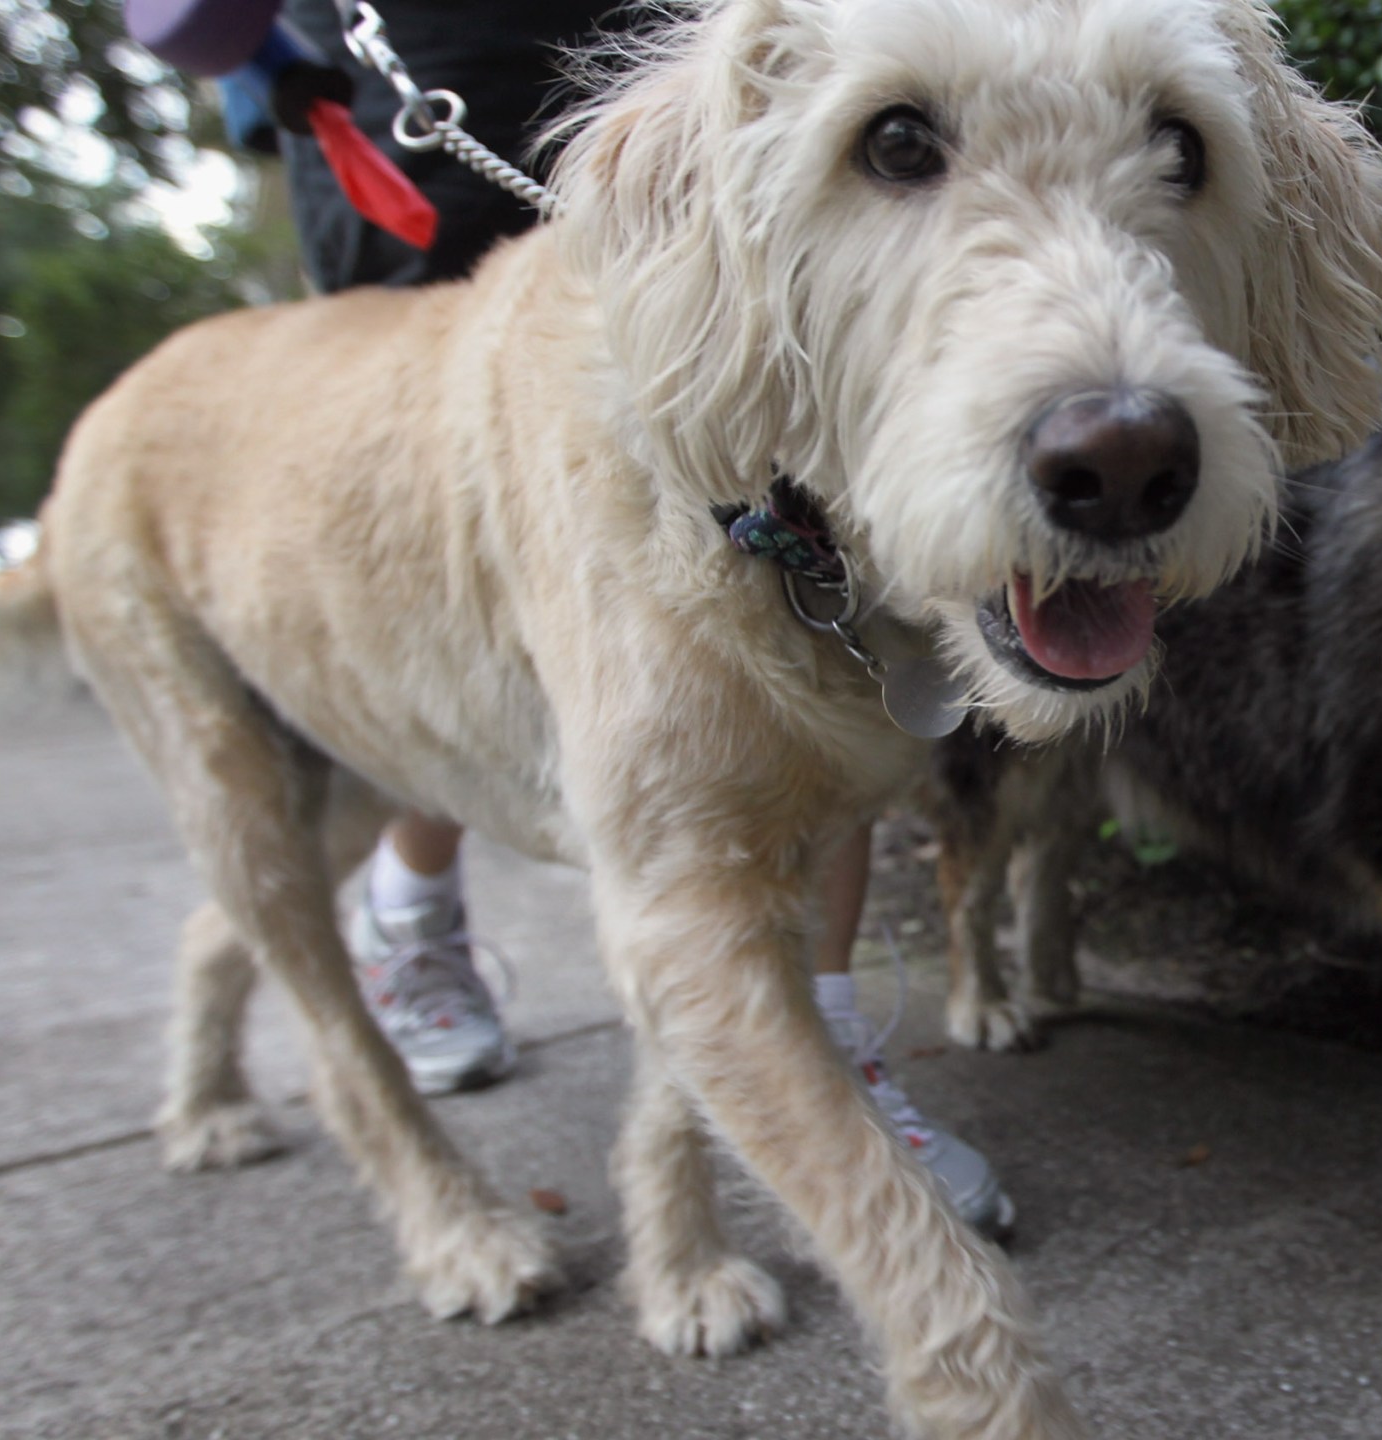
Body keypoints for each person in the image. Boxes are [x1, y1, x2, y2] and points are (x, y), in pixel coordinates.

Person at [266, 0, 1012, 1231]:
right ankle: (416, 912)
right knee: (444, 556)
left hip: (687, 29)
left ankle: (815, 1037)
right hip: (417, 60)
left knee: (805, 559)